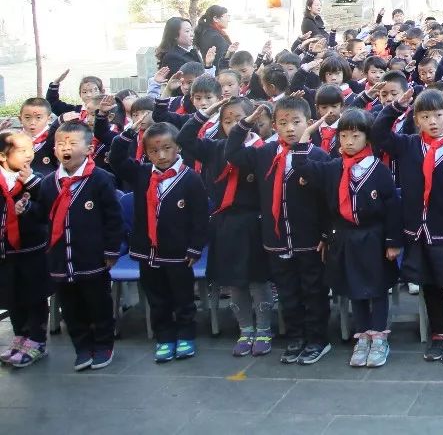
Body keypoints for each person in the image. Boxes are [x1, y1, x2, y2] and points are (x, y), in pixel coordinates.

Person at [225, 98, 333, 365]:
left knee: (313, 291)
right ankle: (296, 337)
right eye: (282, 123)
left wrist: (325, 235)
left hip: (309, 240)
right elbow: (233, 154)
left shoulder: (317, 155)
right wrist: (245, 124)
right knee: (287, 292)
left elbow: (327, 200)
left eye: (296, 122)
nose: (289, 129)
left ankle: (318, 339)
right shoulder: (265, 153)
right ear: (273, 126)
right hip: (276, 240)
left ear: (309, 124)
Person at [375, 88, 443, 364]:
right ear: (416, 120)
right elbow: (379, 134)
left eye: (438, 114)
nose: (432, 121)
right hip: (417, 231)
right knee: (428, 284)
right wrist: (395, 107)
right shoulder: (408, 145)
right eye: (425, 116)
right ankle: (437, 333)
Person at [179, 95, 276, 357]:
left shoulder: (262, 150)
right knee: (234, 283)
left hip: (253, 222)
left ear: (252, 120)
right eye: (227, 120)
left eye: (239, 119)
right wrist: (205, 113)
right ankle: (245, 329)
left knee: (257, 281)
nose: (233, 125)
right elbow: (184, 140)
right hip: (225, 223)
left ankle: (265, 328)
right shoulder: (214, 148)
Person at [109, 122, 209, 363]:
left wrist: (195, 247)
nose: (161, 155)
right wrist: (129, 133)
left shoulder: (191, 178)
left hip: (179, 254)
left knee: (183, 298)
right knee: (157, 298)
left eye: (167, 148)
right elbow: (116, 160)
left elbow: (200, 218)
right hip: (147, 252)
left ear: (178, 148)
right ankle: (164, 337)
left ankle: (185, 335)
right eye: (154, 151)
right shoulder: (142, 174)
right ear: (145, 153)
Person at [310, 109, 401, 368]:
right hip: (346, 238)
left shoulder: (378, 170)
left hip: (374, 237)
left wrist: (393, 242)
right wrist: (307, 133)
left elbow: (393, 208)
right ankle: (362, 336)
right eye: (343, 135)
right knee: (355, 288)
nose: (348, 141)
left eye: (355, 135)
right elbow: (305, 168)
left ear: (367, 138)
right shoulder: (334, 168)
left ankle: (379, 336)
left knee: (377, 287)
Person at [39, 121, 124, 370]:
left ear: (88, 149)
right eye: (61, 144)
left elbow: (113, 218)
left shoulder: (101, 179)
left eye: (73, 143)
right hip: (60, 260)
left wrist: (110, 250)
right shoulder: (48, 183)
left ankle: (103, 345)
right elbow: (43, 218)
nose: (66, 148)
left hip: (91, 257)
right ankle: (82, 347)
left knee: (97, 303)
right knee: (71, 307)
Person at [0, 131, 50, 368]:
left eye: (30, 149)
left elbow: (47, 209)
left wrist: (29, 206)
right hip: (6, 252)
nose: (29, 155)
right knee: (12, 296)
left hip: (32, 252)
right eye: (21, 151)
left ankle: (37, 340)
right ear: (2, 156)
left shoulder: (36, 180)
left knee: (34, 296)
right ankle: (20, 336)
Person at [194, 5, 234, 71]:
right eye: (226, 16)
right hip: (220, 75)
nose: (228, 20)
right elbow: (222, 62)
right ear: (215, 18)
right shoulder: (216, 37)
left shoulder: (205, 32)